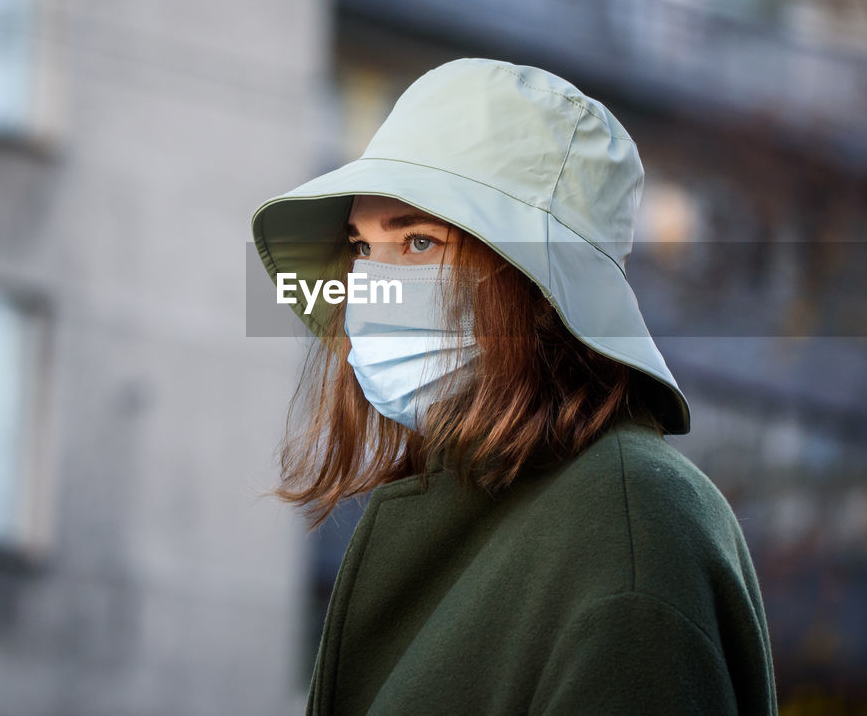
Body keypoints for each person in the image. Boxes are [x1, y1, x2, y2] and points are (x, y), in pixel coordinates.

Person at [251, 58, 778, 715]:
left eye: (418, 243)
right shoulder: (477, 504)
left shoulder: (629, 527)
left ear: (537, 289)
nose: (370, 285)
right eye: (360, 247)